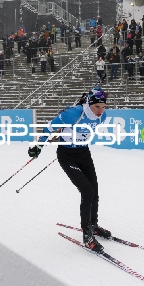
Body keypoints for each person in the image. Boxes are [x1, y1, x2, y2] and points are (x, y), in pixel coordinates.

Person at [27, 87, 111, 253]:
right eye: (97, 107)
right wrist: (39, 145)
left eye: (103, 107)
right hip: (67, 155)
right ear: (89, 104)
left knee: (94, 189)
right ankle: (87, 235)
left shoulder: (103, 116)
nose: (100, 111)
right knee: (87, 191)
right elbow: (50, 127)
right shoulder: (74, 113)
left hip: (84, 153)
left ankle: (93, 225)